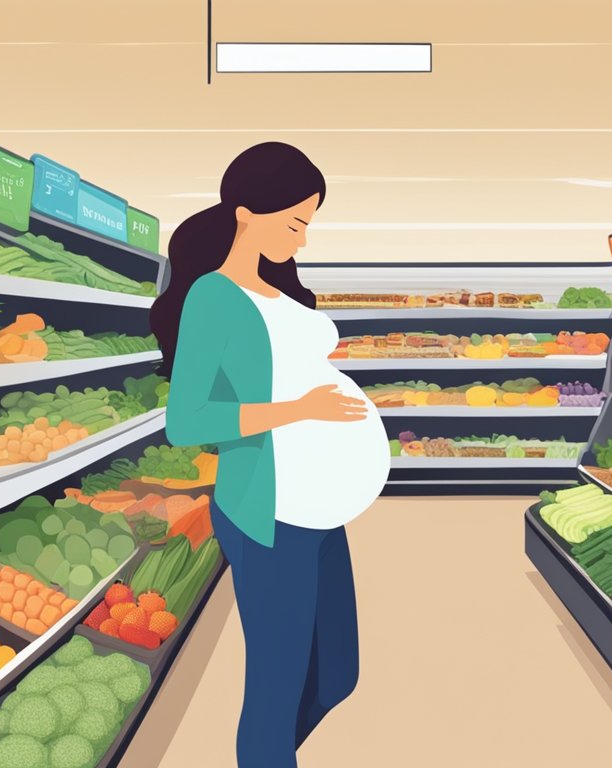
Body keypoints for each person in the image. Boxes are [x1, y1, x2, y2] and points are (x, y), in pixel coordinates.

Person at [151, 142, 390, 767]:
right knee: (276, 686)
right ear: (245, 214)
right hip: (267, 510)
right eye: (294, 222)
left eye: (309, 223)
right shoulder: (213, 296)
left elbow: (286, 369)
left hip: (317, 508)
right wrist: (300, 410)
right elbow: (188, 421)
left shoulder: (278, 291)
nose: (303, 239)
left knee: (338, 673)